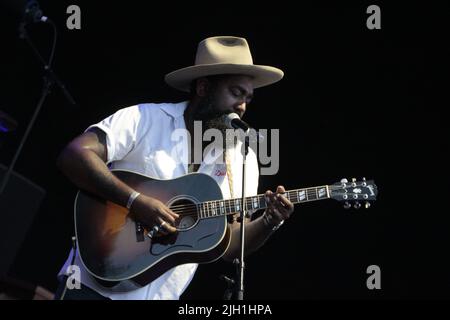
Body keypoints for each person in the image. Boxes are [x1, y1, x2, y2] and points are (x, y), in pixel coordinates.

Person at [54, 36, 294, 300]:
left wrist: (270, 221)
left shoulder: (242, 159)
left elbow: (231, 245)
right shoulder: (146, 118)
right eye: (235, 93)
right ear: (203, 87)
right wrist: (135, 201)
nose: (242, 106)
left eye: (248, 97)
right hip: (91, 285)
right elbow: (75, 155)